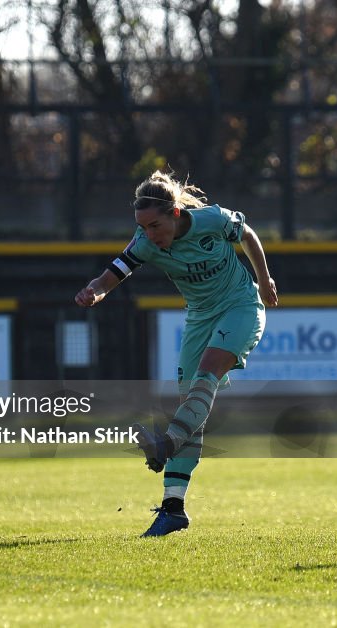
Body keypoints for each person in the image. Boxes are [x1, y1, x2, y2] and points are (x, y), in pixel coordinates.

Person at [75, 170, 277, 537]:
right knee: (190, 409)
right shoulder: (145, 242)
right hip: (199, 318)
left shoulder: (211, 220)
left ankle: (165, 444)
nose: (149, 235)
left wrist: (264, 280)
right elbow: (114, 272)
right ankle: (173, 509)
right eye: (142, 227)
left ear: (177, 215)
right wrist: (95, 290)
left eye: (154, 225)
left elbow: (247, 234)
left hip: (241, 305)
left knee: (209, 371)